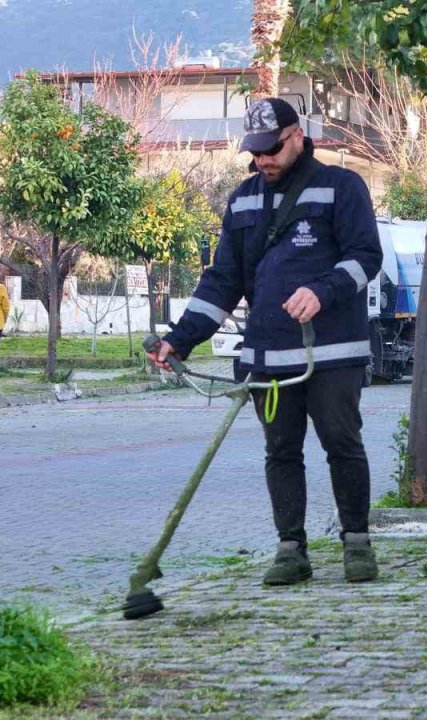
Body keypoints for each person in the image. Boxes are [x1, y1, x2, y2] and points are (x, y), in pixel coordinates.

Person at [147, 97, 384, 585]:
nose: (263, 161)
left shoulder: (342, 187)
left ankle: (356, 543)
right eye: (255, 152)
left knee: (342, 443)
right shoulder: (243, 199)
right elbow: (222, 282)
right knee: (281, 451)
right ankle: (290, 550)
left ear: (297, 135)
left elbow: (366, 256)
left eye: (272, 149)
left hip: (332, 355)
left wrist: (323, 291)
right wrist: (180, 340)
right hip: (267, 357)